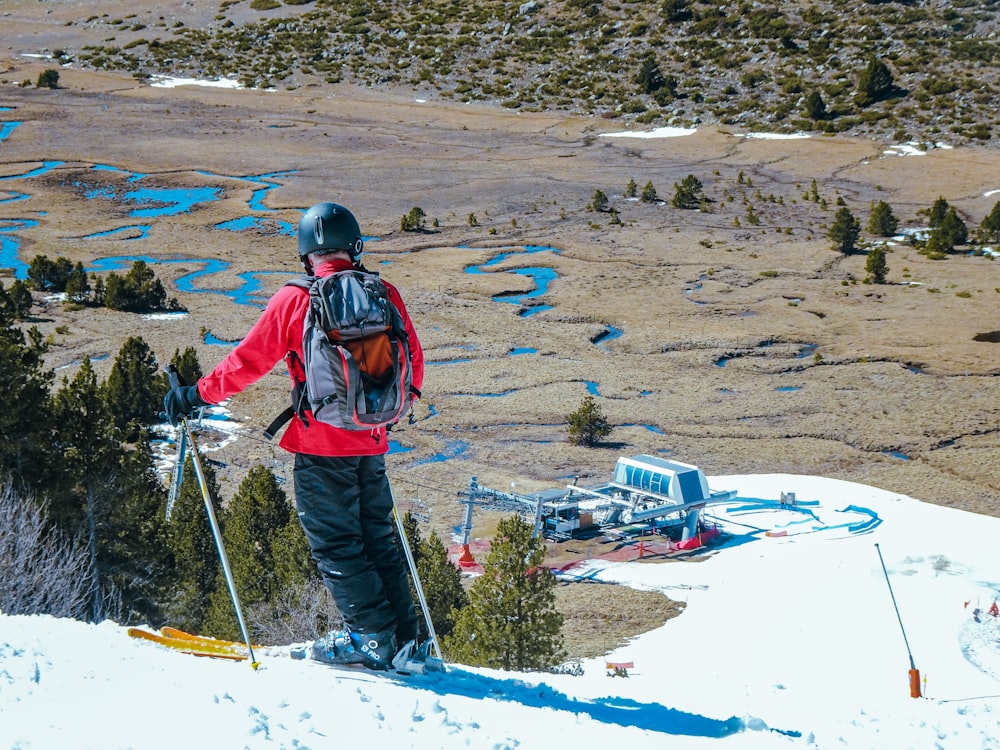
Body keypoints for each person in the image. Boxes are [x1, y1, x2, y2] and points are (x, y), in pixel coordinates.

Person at [164, 202, 424, 671]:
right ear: (355, 246)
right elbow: (413, 362)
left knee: (338, 544)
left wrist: (197, 394)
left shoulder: (295, 298)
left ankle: (372, 641)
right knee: (379, 540)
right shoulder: (383, 292)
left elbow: (247, 363)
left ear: (306, 254)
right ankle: (407, 641)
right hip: (372, 441)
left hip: (320, 446)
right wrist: (383, 418)